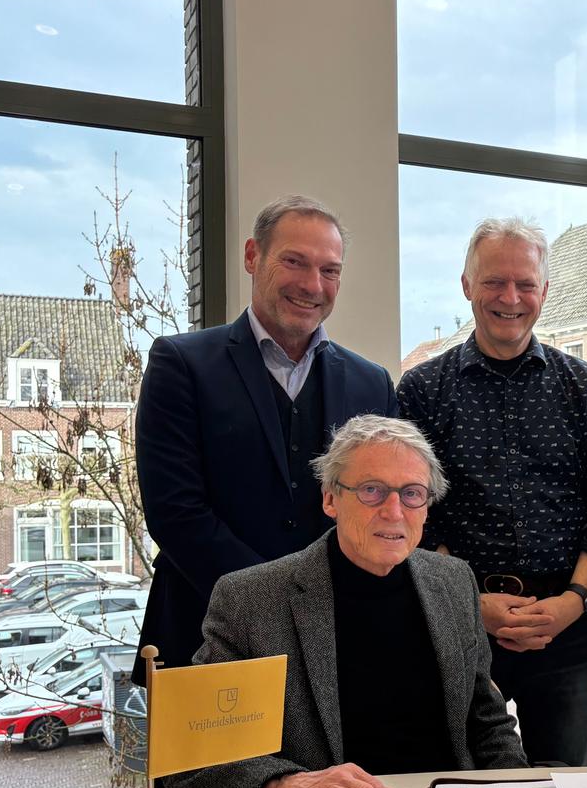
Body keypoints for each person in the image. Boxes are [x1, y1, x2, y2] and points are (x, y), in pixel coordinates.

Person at [163, 415, 528, 788]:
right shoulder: (251, 599)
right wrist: (285, 784)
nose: (394, 511)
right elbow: (191, 752)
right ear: (330, 499)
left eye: (412, 494)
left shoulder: (454, 581)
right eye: (372, 491)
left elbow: (488, 719)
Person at [133, 195, 397, 682]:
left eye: (330, 270)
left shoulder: (372, 383)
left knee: (336, 764)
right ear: (253, 256)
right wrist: (276, 607)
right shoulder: (180, 365)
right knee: (214, 764)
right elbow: (176, 513)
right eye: (294, 261)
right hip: (206, 638)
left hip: (337, 643)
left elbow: (381, 509)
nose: (312, 285)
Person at [398, 217, 587, 768]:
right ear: (466, 287)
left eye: (525, 284)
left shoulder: (586, 386)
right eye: (495, 282)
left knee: (564, 784)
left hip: (565, 624)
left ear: (544, 292)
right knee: (455, 775)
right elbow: (415, 515)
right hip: (460, 618)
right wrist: (471, 605)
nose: (510, 297)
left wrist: (572, 603)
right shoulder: (423, 390)